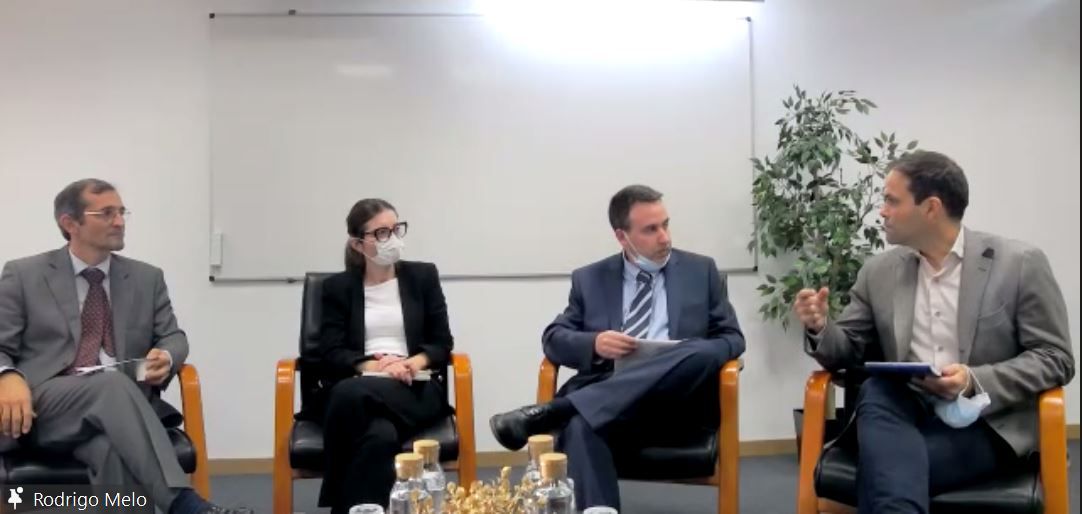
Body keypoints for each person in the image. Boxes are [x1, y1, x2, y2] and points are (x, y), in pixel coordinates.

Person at [794, 151, 1075, 513]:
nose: (882, 211)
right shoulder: (879, 272)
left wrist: (973, 379)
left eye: (892, 201)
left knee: (885, 471)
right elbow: (844, 351)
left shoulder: (1019, 264)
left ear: (931, 208)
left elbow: (1055, 358)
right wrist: (820, 326)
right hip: (903, 410)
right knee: (878, 389)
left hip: (986, 421)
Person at [0, 179, 249, 514]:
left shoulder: (146, 278)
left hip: (119, 413)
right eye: (106, 213)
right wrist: (7, 375)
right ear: (70, 223)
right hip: (45, 409)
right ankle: (186, 505)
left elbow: (174, 336)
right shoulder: (24, 274)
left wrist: (166, 356)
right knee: (110, 384)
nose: (119, 221)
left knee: (111, 450)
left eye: (121, 212)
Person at [489, 185, 745, 510]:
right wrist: (594, 343)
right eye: (651, 229)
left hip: (677, 403)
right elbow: (553, 337)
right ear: (622, 237)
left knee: (701, 350)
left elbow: (732, 338)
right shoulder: (590, 279)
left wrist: (684, 353)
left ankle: (559, 409)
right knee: (581, 426)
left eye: (666, 225)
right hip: (609, 407)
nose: (665, 237)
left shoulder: (700, 270)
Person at [316, 198, 454, 513]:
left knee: (346, 394)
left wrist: (409, 363)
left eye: (396, 229)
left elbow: (442, 342)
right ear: (358, 244)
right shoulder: (338, 288)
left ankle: (335, 501)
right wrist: (376, 366)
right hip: (363, 380)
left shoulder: (423, 277)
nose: (392, 239)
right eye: (381, 233)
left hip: (415, 386)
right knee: (379, 436)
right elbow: (331, 352)